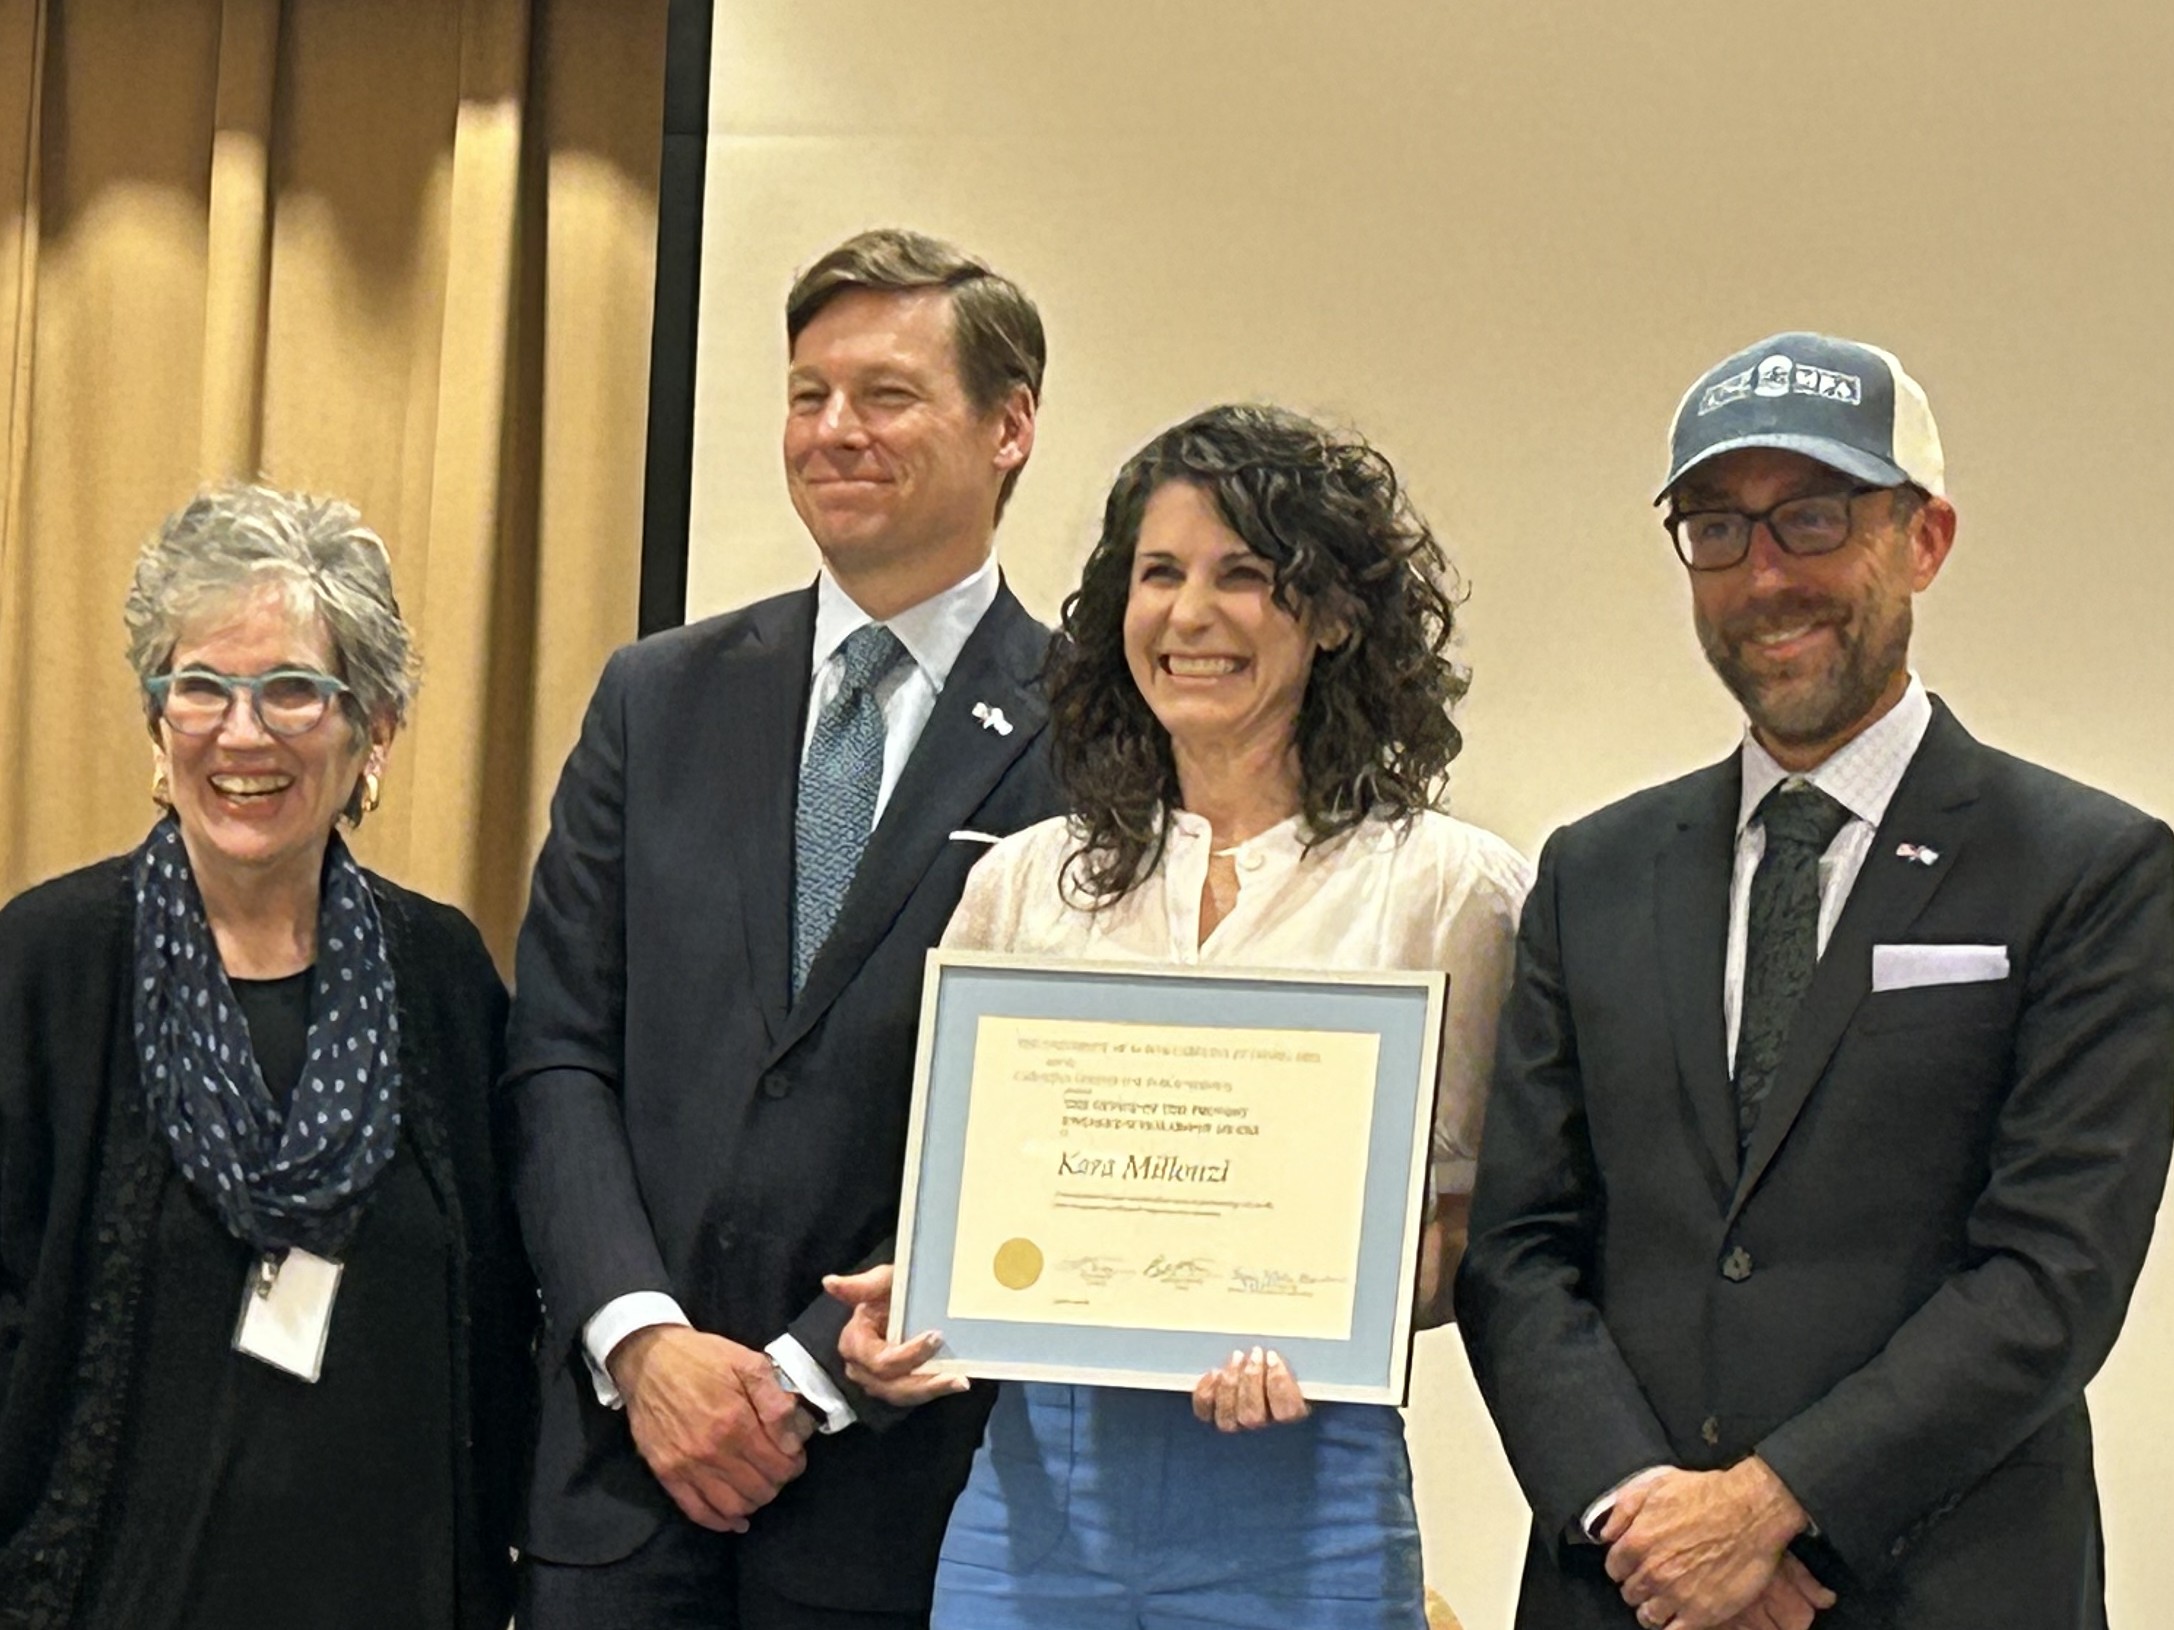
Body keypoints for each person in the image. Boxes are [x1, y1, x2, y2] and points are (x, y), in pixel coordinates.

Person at [1455, 333, 2174, 1630]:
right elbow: (1517, 1248)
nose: (1764, 573)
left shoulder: (2088, 869)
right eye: (1716, 528)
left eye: (1812, 516)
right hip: (1629, 1588)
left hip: (1943, 1586)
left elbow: (2050, 1273)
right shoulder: (1590, 871)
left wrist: (1769, 1506)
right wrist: (1644, 1514)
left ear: (1923, 538)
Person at [830, 403, 1532, 1629]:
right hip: (1033, 1507)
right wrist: (915, 1301)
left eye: (1242, 575)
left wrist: (1311, 1314)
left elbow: (1474, 1231)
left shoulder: (1449, 890)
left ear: (1333, 616)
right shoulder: (1023, 881)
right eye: (1158, 574)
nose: (1189, 615)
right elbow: (973, 1199)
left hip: (1303, 1497)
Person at [505, 227, 1064, 1629]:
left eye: (885, 394)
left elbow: (1050, 1114)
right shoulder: (654, 697)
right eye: (808, 394)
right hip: (619, 1474)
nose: (832, 430)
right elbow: (558, 1050)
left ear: (1008, 426)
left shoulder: (1091, 734)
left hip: (904, 1488)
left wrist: (802, 1375)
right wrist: (643, 1342)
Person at [0, 484, 533, 1630]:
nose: (243, 734)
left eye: (293, 688)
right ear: (158, 721)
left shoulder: (442, 978)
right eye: (200, 687)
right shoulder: (46, 965)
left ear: (372, 727)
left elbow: (500, 1322)